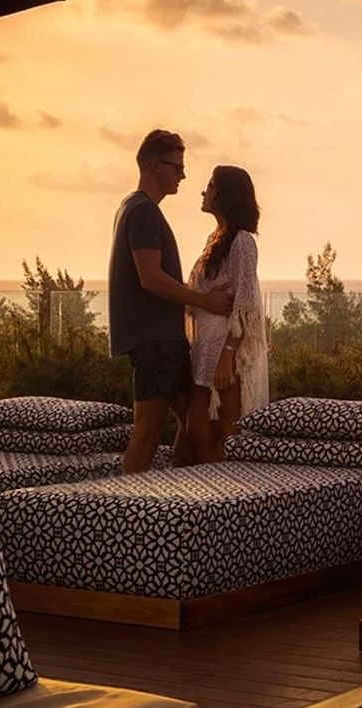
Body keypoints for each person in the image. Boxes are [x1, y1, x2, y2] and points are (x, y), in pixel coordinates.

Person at [108, 129, 231, 473]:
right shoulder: (142, 212)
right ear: (152, 164)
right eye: (176, 167)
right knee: (146, 434)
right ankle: (126, 512)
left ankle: (179, 494)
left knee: (193, 426)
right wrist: (203, 300)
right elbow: (150, 277)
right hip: (154, 340)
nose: (183, 175)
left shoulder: (135, 209)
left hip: (166, 340)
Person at [186, 166, 267, 463]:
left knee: (227, 434)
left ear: (226, 194)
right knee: (199, 431)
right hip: (206, 350)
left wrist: (228, 356)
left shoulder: (242, 241)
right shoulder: (216, 238)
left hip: (224, 351)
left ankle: (227, 499)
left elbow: (246, 306)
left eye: (210, 185)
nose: (204, 191)